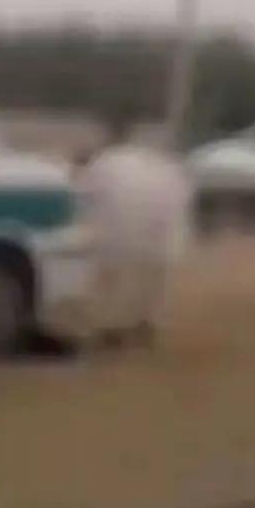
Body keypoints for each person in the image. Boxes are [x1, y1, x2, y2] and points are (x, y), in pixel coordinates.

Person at [76, 111, 192, 346]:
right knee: (149, 277)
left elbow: (84, 201)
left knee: (109, 276)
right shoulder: (158, 164)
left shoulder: (104, 164)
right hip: (158, 234)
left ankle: (110, 326)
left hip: (121, 234)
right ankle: (143, 322)